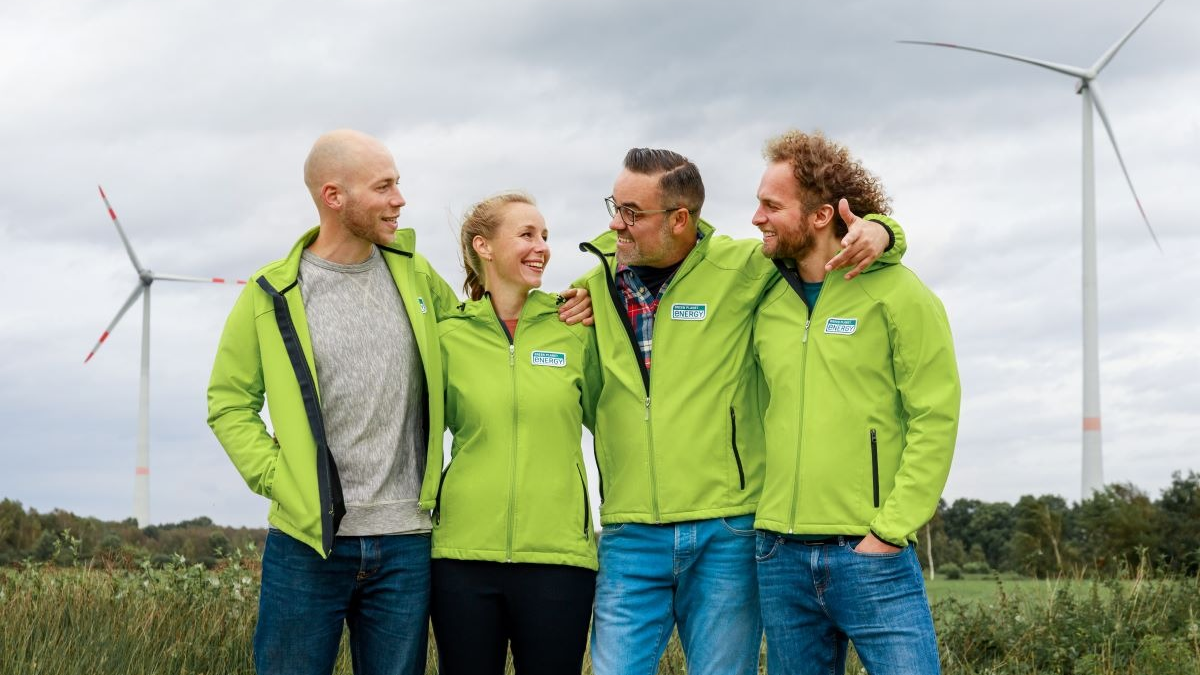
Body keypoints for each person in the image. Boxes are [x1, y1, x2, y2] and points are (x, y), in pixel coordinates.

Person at [206, 130, 591, 675]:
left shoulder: (415, 277)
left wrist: (575, 301)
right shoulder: (273, 292)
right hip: (307, 542)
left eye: (398, 184)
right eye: (384, 187)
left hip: (407, 544)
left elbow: (484, 328)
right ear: (334, 196)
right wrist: (279, 476)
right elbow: (228, 401)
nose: (399, 200)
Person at [575, 147, 906, 675]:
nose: (616, 222)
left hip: (726, 533)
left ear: (680, 219)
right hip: (629, 533)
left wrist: (885, 231)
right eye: (616, 205)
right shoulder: (595, 284)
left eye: (632, 213)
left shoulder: (746, 268)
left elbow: (819, 241)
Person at [750, 130, 961, 675]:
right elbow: (673, 247)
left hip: (871, 556)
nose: (756, 218)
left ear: (821, 216)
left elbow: (934, 418)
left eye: (771, 206)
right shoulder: (763, 296)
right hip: (779, 555)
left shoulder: (901, 295)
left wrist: (890, 531)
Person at [429, 192, 601, 675]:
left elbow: (615, 418)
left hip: (558, 559)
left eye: (545, 236)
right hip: (462, 557)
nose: (541, 247)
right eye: (526, 234)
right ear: (483, 246)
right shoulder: (448, 336)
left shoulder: (576, 327)